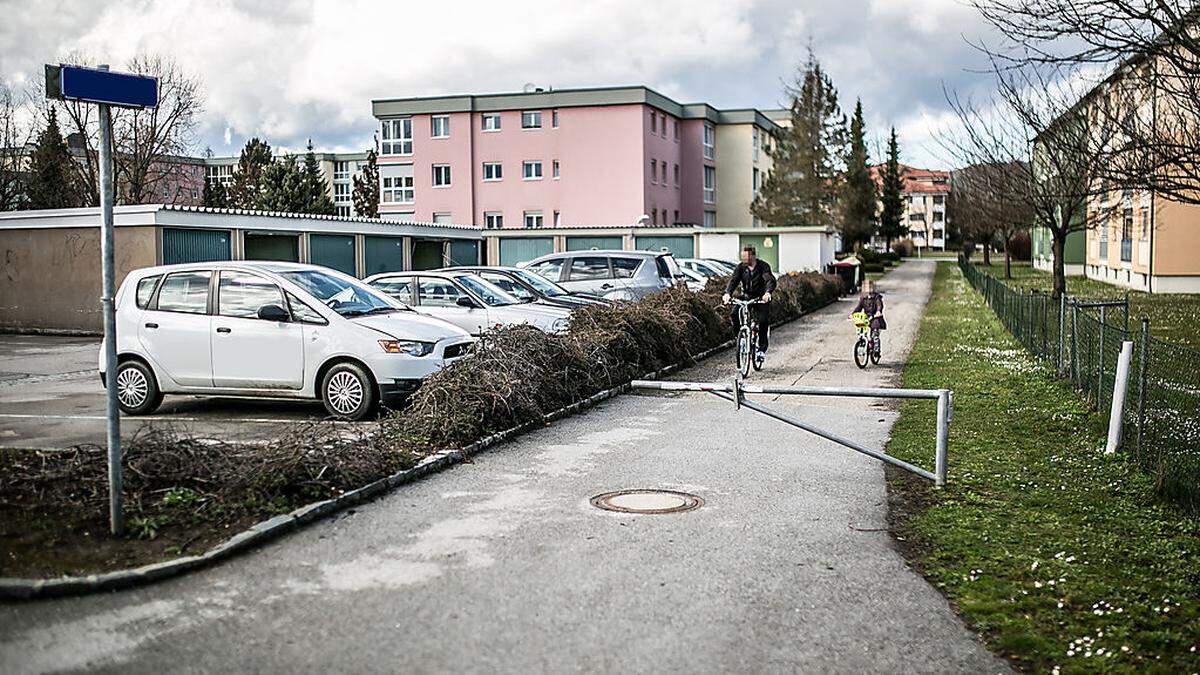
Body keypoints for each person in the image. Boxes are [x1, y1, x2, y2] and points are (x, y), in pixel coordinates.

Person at [722, 245, 776, 359]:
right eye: (743, 257)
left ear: (753, 256)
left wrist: (768, 293)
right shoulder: (741, 268)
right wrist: (727, 293)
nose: (744, 260)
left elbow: (769, 280)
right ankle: (740, 339)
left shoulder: (763, 266)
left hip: (760, 298)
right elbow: (733, 281)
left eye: (746, 257)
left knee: (763, 320)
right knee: (734, 314)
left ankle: (761, 349)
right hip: (746, 297)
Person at [851, 279, 886, 356]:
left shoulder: (877, 297)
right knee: (861, 330)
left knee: (875, 334)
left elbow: (879, 305)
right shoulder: (863, 298)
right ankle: (862, 343)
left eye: (869, 287)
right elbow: (859, 307)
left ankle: (877, 350)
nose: (868, 289)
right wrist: (853, 314)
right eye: (866, 287)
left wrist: (878, 311)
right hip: (866, 318)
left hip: (875, 317)